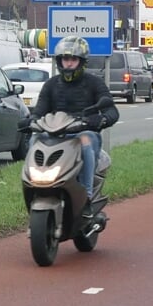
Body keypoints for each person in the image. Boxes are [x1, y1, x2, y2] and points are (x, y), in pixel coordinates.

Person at [25, 35, 118, 195]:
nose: (68, 63)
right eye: (65, 59)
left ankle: (86, 195)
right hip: (54, 134)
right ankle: (32, 188)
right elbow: (39, 111)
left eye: (73, 59)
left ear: (81, 61)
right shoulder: (51, 84)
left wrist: (101, 119)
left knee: (85, 140)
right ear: (59, 61)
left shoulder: (94, 83)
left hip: (83, 131)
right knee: (35, 139)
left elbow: (112, 111)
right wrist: (31, 121)